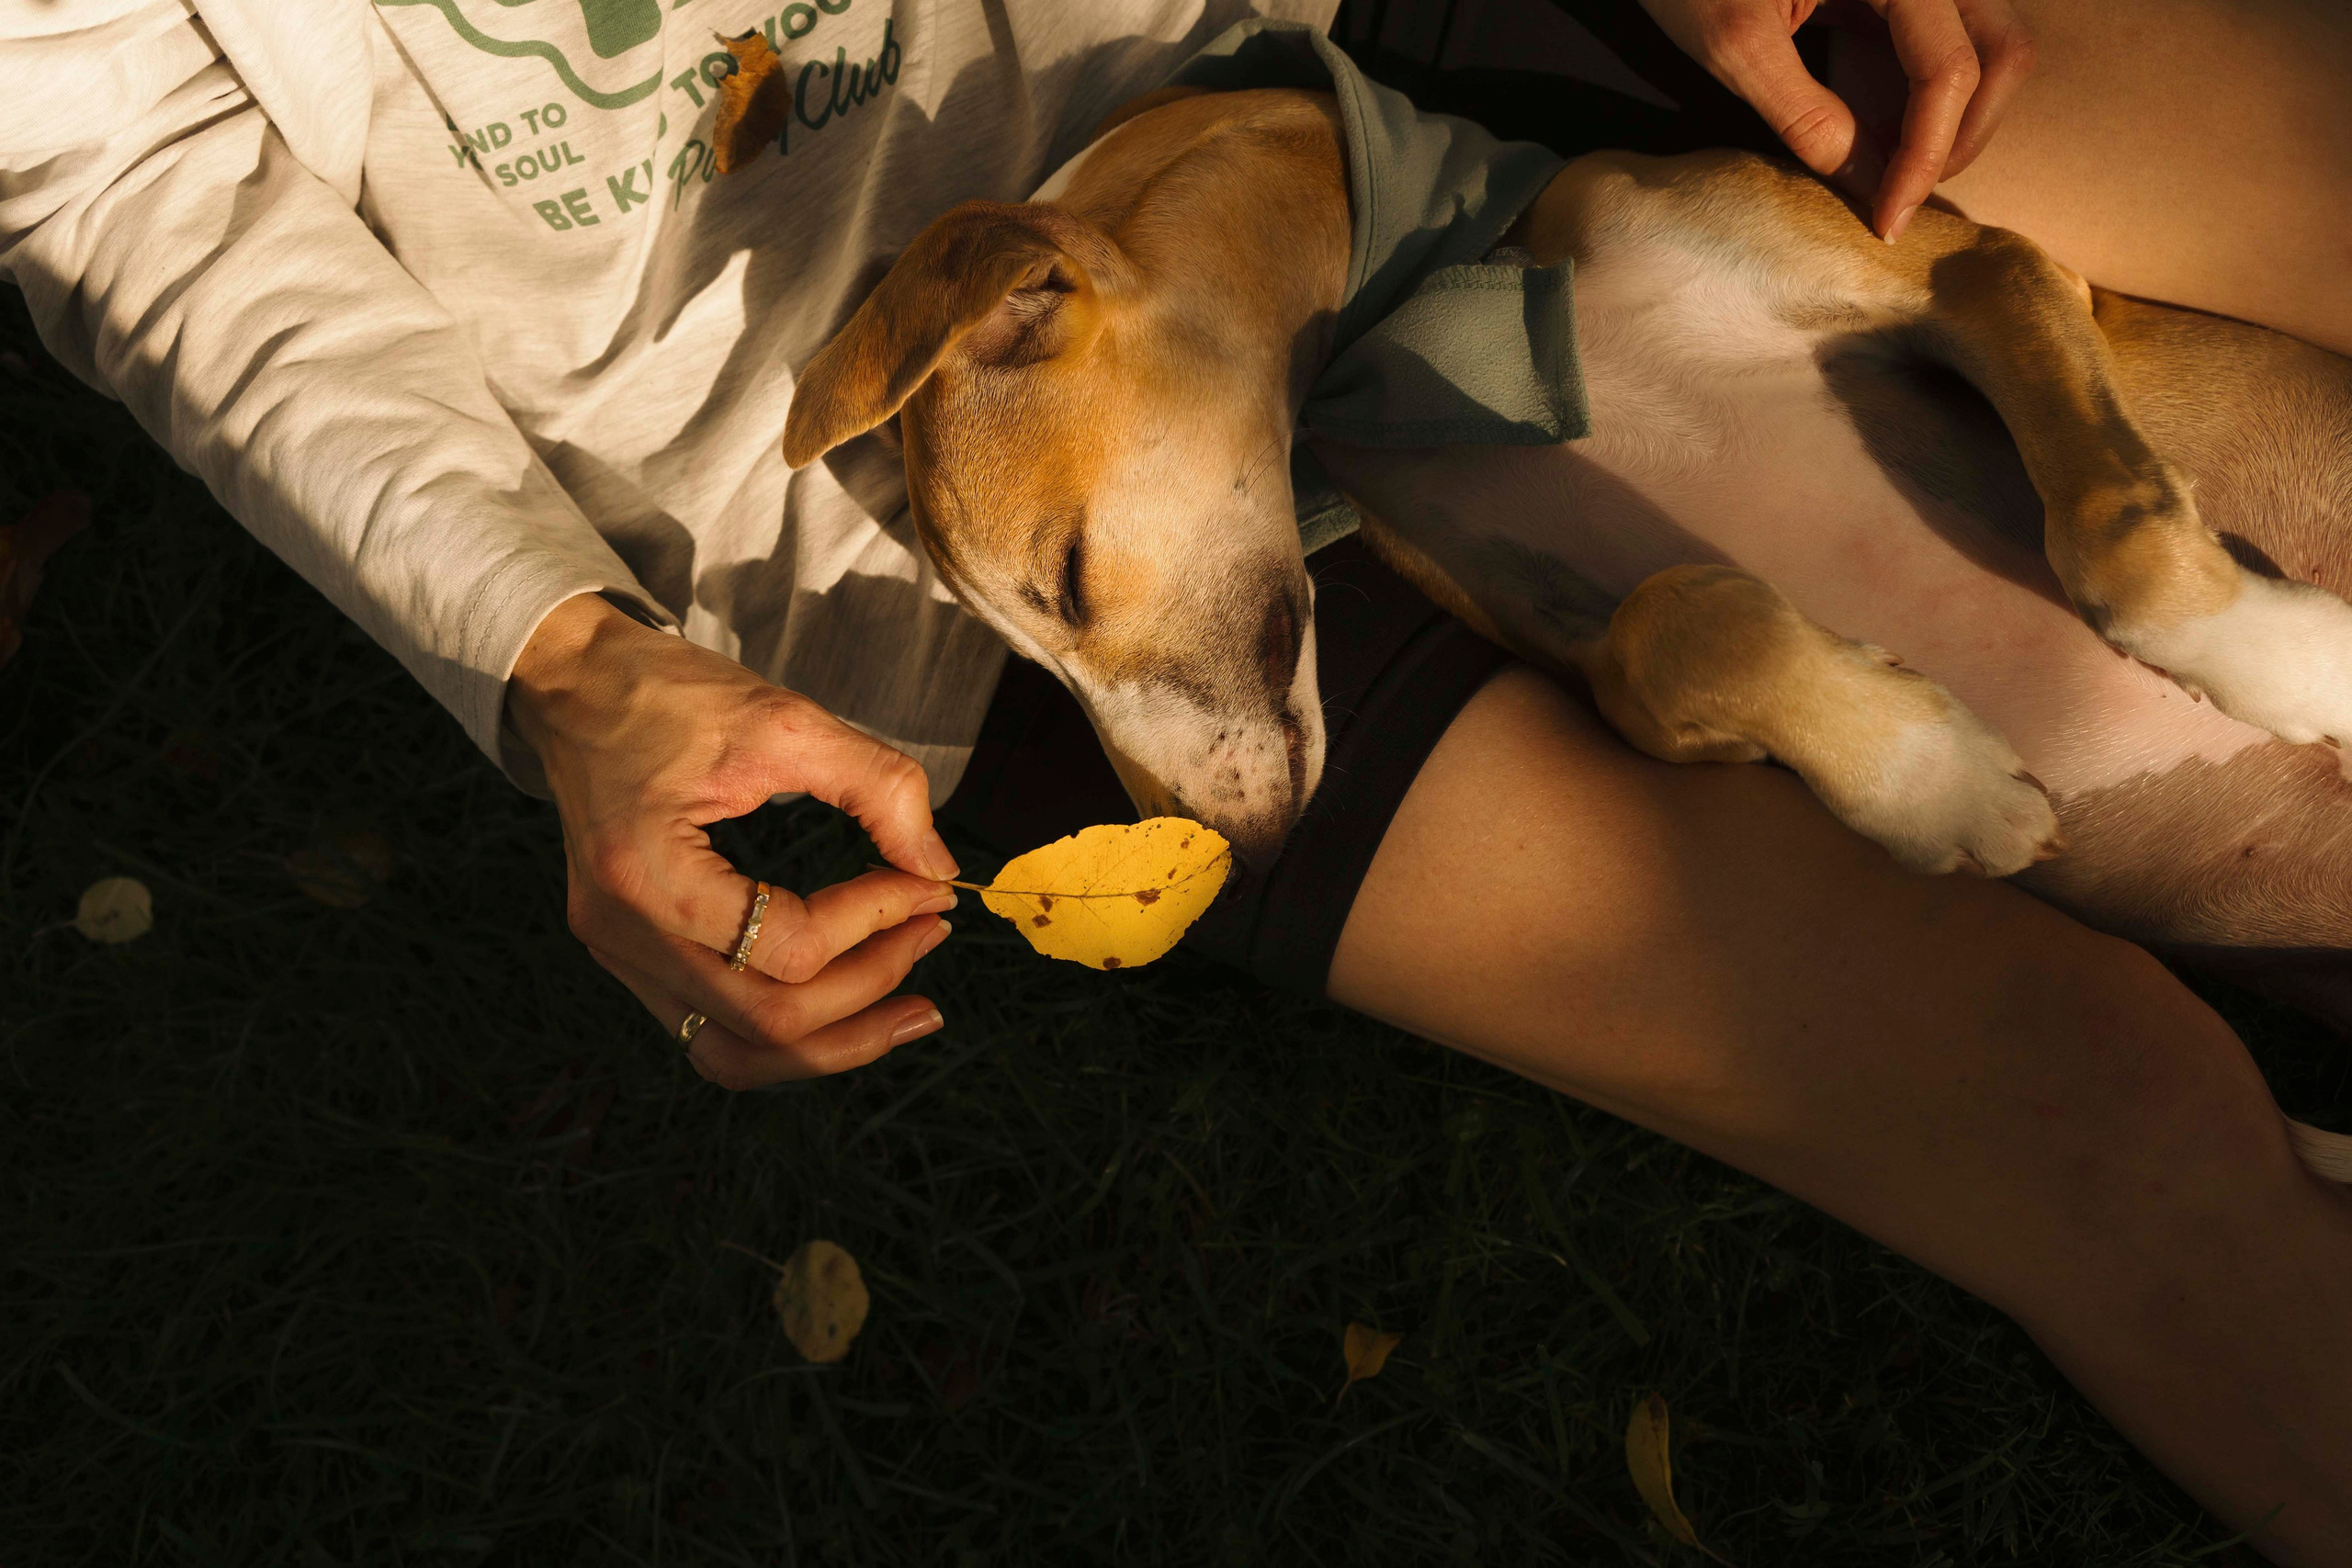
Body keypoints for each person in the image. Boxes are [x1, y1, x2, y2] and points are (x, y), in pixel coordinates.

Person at [3, 0, 2346, 1559]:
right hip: (864, 502)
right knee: (2094, 1127)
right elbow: (131, 195)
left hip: (1307, 44)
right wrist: (564, 658)